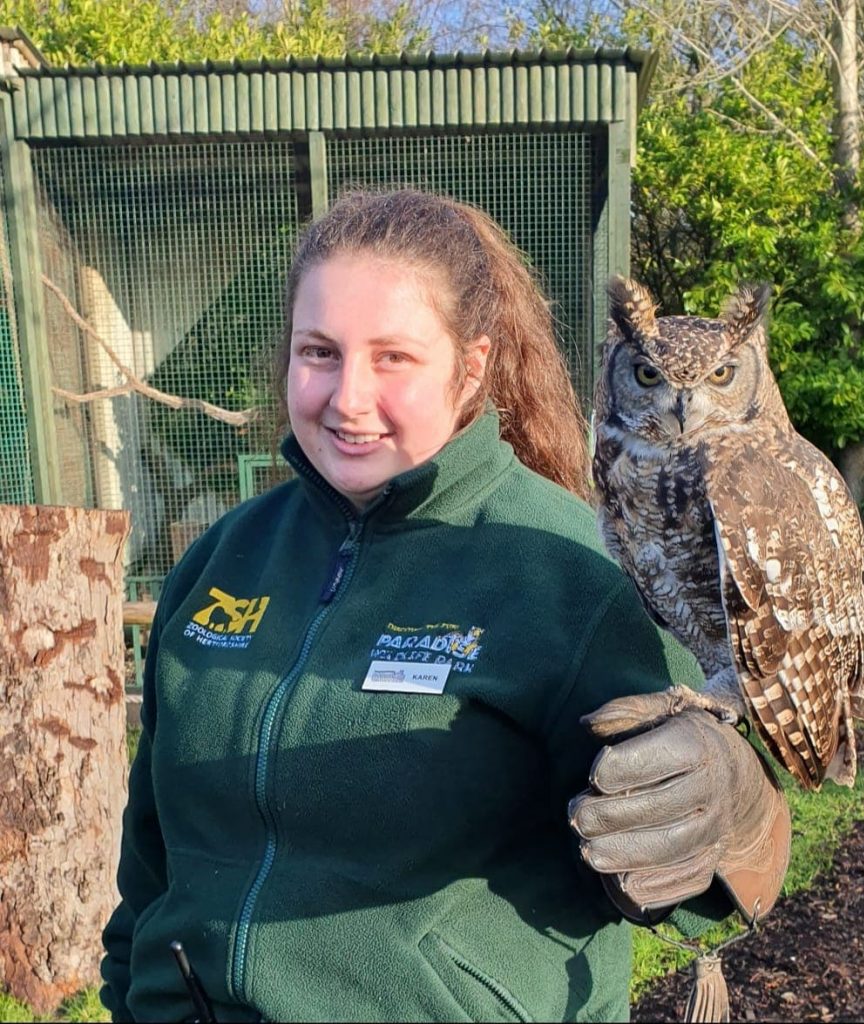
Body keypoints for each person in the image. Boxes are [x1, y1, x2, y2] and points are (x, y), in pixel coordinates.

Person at [100, 188, 790, 1023]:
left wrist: (732, 814)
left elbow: (691, 881)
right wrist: (132, 995)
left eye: (393, 357)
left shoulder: (574, 571)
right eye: (319, 352)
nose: (347, 397)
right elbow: (150, 861)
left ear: (471, 368)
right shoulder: (221, 560)